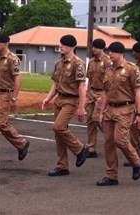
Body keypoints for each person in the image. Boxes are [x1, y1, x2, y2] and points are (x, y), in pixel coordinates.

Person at [95, 42, 140, 186]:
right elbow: (105, 93)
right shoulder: (109, 70)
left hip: (125, 108)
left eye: (113, 52)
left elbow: (138, 93)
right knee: (108, 142)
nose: (110, 54)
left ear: (121, 53)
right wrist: (101, 112)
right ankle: (111, 175)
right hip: (110, 108)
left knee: (120, 139)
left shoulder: (131, 69)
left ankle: (136, 162)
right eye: (110, 52)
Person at [42, 34, 89, 176]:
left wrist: (81, 107)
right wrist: (48, 98)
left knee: (58, 127)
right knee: (58, 133)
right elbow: (55, 83)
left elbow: (82, 86)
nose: (61, 46)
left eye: (64, 44)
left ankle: (80, 149)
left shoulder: (78, 63)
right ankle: (62, 166)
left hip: (71, 100)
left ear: (72, 47)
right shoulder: (59, 63)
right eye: (61, 44)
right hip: (60, 99)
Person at [0, 33, 30, 164]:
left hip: (5, 94)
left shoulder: (13, 59)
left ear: (6, 44)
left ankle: (21, 143)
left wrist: (14, 98)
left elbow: (18, 78)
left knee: (0, 123)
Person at [85, 38, 111, 158]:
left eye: (96, 47)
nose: (94, 49)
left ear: (102, 48)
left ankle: (110, 137)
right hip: (92, 92)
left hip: (102, 93)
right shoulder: (91, 62)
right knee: (90, 120)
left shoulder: (107, 61)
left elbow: (110, 81)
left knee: (97, 118)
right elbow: (89, 78)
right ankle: (92, 148)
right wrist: (88, 93)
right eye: (93, 47)